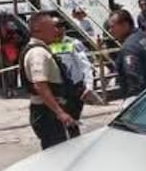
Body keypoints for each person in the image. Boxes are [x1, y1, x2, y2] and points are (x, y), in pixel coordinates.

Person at [21, 12, 80, 149]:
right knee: (57, 155)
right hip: (46, 113)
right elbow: (40, 85)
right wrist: (60, 113)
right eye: (51, 27)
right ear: (38, 30)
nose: (56, 31)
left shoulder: (44, 49)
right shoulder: (37, 53)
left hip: (50, 111)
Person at [51, 18, 99, 120]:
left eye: (61, 26)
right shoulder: (47, 44)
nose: (58, 29)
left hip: (74, 88)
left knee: (72, 119)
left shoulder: (73, 43)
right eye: (55, 26)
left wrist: (89, 85)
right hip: (57, 88)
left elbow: (85, 65)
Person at [108, 9, 146, 97]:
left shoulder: (129, 48)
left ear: (125, 25)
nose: (110, 31)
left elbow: (134, 81)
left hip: (145, 100)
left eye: (112, 26)